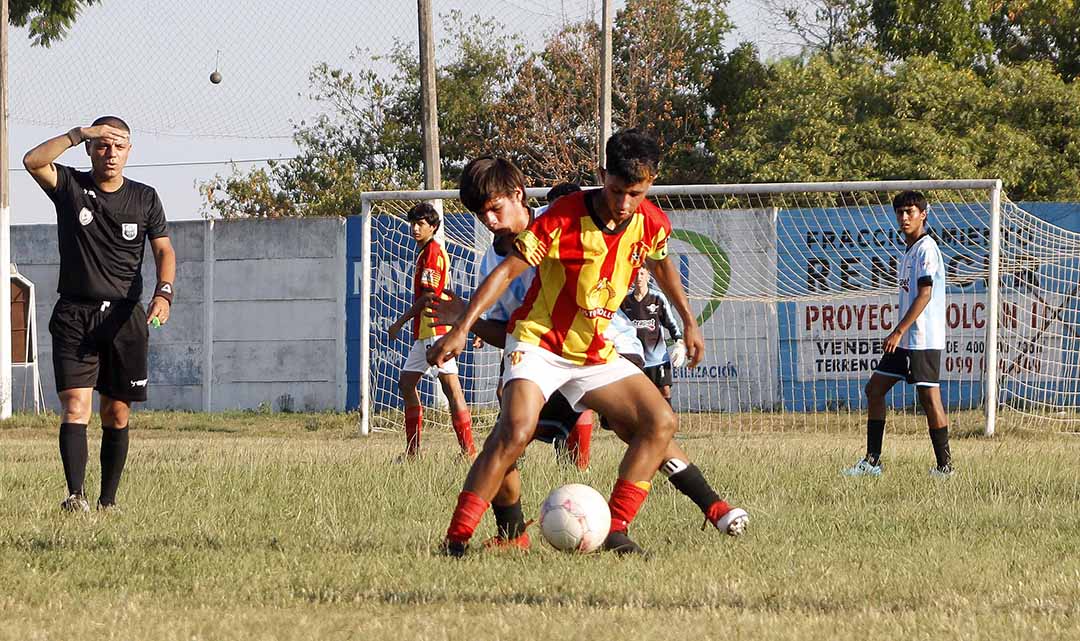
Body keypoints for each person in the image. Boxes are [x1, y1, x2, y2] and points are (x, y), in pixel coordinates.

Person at [428, 131, 745, 557]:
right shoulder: (562, 217)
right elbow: (506, 272)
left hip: (596, 350)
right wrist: (464, 326)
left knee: (659, 423)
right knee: (515, 431)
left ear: (650, 183)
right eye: (616, 191)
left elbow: (661, 262)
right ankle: (457, 542)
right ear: (601, 176)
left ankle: (616, 529)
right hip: (538, 344)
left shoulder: (651, 222)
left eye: (635, 193)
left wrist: (689, 321)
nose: (624, 204)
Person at [22, 116, 176, 512]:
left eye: (118, 146)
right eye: (103, 145)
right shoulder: (70, 186)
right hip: (75, 315)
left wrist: (164, 292)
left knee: (116, 412)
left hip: (125, 319)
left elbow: (164, 250)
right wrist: (78, 134)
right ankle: (76, 496)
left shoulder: (145, 197)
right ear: (91, 149)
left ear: (129, 152)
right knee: (75, 406)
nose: (110, 153)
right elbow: (32, 160)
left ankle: (108, 501)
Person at [843, 190, 953, 479]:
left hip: (922, 339)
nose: (904, 217)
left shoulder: (927, 249)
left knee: (929, 399)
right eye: (900, 212)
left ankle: (945, 468)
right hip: (904, 342)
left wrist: (898, 330)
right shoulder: (909, 250)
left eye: (910, 212)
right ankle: (872, 463)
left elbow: (925, 294)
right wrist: (900, 334)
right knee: (874, 390)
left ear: (923, 214)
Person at [387, 203, 476, 461]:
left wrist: (400, 322)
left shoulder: (433, 253)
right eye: (413, 223)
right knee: (406, 383)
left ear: (433, 227)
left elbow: (428, 297)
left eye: (421, 224)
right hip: (426, 330)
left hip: (437, 329)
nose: (415, 228)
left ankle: (469, 452)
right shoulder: (424, 251)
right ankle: (413, 453)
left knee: (451, 387)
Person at [621, 266, 686, 404]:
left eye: (642, 274)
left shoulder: (658, 298)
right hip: (635, 358)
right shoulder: (624, 301)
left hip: (658, 357)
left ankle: (669, 416)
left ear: (648, 276)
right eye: (636, 274)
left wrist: (679, 343)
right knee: (637, 397)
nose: (639, 277)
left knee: (664, 391)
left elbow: (671, 323)